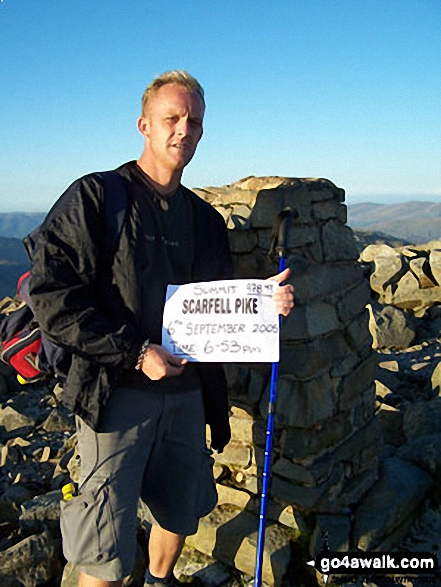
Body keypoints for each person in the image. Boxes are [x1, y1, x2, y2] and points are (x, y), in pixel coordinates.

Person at [29, 70, 294, 587]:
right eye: (171, 118)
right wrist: (136, 352)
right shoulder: (96, 198)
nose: (183, 130)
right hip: (116, 396)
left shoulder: (204, 220)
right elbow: (51, 298)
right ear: (144, 125)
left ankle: (159, 580)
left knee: (178, 510)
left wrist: (266, 303)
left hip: (188, 393)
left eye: (193, 122)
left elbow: (218, 303)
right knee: (103, 547)